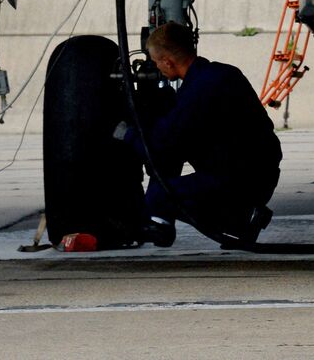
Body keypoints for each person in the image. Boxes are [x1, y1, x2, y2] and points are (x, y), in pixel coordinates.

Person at [114, 21, 282, 247]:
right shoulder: (223, 73)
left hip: (238, 181)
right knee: (168, 172)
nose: (157, 68)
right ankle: (239, 214)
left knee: (159, 196)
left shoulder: (198, 91)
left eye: (156, 62)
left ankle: (241, 218)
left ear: (168, 62)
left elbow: (160, 146)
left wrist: (126, 134)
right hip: (260, 173)